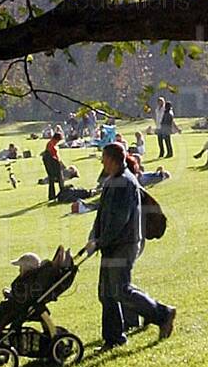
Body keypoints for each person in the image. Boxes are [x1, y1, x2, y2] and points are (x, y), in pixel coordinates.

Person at [82, 142, 175, 349]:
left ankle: (163, 314)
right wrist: (95, 237)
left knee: (121, 290)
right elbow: (102, 214)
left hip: (123, 244)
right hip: (110, 244)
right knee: (106, 293)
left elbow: (120, 219)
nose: (102, 162)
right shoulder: (112, 181)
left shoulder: (125, 182)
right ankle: (114, 337)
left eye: (104, 158)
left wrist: (101, 240)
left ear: (111, 159)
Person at [42, 131, 66, 201]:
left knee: (52, 178)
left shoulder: (51, 143)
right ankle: (62, 192)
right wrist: (60, 163)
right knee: (59, 177)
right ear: (56, 139)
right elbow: (54, 154)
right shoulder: (51, 144)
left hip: (49, 160)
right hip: (50, 160)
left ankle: (52, 195)